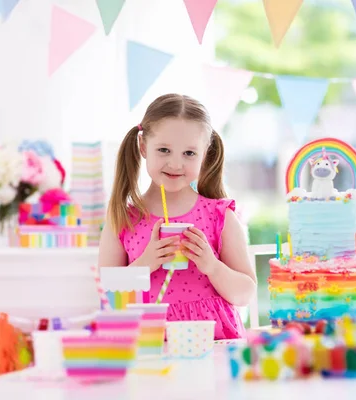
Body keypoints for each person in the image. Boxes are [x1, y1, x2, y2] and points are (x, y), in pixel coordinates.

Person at [98, 93, 257, 339]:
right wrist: (145, 263)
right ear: (143, 147)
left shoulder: (220, 216)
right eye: (164, 150)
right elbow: (106, 290)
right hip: (148, 342)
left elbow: (245, 294)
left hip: (211, 342)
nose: (175, 164)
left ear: (205, 153)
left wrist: (212, 266)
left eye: (189, 153)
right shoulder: (123, 218)